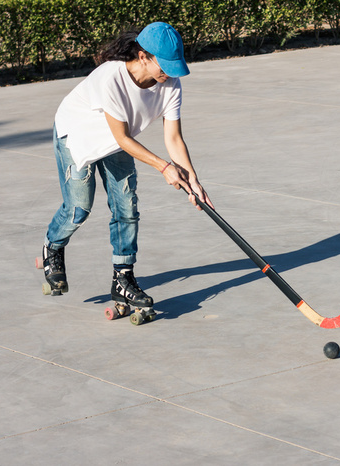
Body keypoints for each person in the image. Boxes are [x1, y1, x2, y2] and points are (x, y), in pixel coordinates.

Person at [41, 22, 213, 319]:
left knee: (126, 207)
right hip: (77, 135)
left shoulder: (170, 83)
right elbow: (122, 137)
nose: (169, 73)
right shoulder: (112, 78)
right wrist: (163, 167)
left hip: (117, 141)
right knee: (78, 209)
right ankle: (52, 248)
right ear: (144, 56)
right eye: (165, 65)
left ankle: (123, 278)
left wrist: (193, 180)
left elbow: (173, 137)